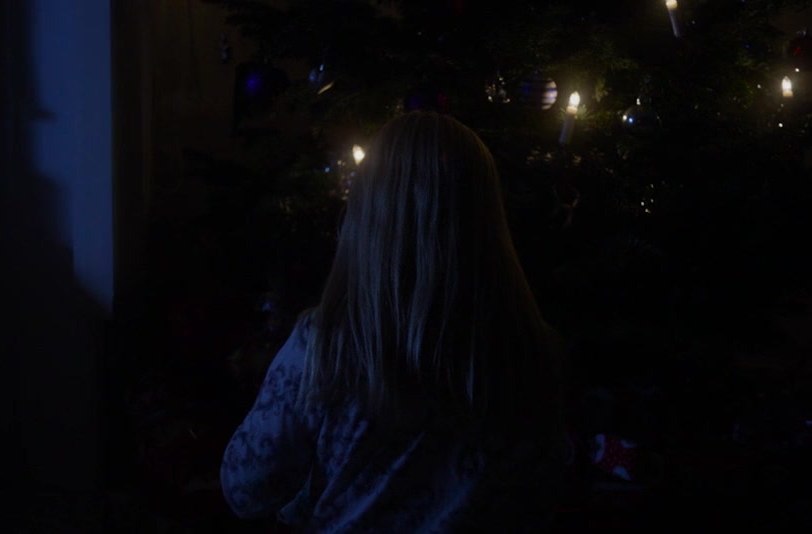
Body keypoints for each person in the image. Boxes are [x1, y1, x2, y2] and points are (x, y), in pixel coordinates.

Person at [221, 112, 570, 532]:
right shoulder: (533, 350)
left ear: (366, 212)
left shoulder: (325, 345)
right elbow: (544, 492)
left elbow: (245, 489)